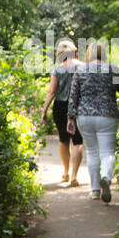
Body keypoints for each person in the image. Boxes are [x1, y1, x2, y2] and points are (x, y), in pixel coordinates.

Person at [67, 40, 119, 203]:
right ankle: (106, 178)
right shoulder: (112, 70)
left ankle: (95, 190)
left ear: (89, 54)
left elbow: (73, 96)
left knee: (92, 152)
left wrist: (71, 117)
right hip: (107, 115)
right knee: (108, 152)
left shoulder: (80, 70)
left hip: (85, 116)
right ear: (104, 54)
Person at [41, 38, 85, 186]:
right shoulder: (83, 67)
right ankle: (74, 175)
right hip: (78, 107)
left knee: (63, 139)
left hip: (60, 106)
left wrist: (44, 109)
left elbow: (52, 91)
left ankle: (66, 172)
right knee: (78, 140)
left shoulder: (57, 69)